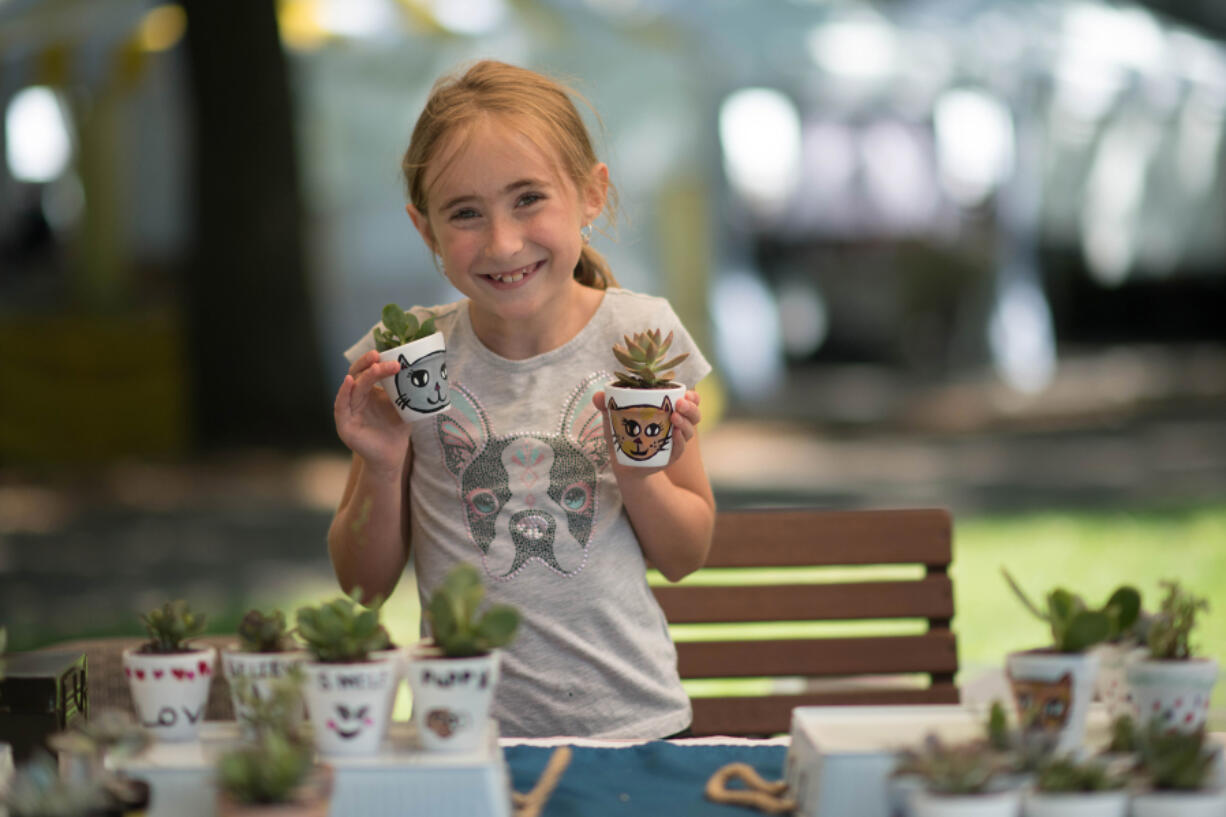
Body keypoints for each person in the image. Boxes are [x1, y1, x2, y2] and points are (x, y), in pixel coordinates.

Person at [327, 59, 715, 739]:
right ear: (427, 232)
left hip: (631, 727)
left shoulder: (641, 336)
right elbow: (361, 587)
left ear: (592, 195)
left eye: (529, 198)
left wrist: (640, 479)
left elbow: (684, 556)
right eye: (466, 213)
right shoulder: (414, 357)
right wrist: (385, 466)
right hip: (463, 734)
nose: (503, 241)